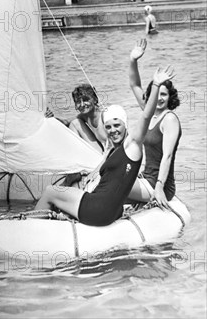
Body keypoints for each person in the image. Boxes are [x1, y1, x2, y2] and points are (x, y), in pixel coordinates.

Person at [35, 65, 175, 226]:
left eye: (117, 125)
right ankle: (54, 219)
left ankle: (29, 227)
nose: (112, 130)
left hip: (98, 209)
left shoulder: (132, 145)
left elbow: (146, 115)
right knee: (69, 194)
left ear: (126, 125)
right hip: (110, 210)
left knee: (50, 191)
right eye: (108, 127)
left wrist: (156, 85)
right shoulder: (112, 151)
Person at [129, 39, 181, 208]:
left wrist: (159, 187)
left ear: (170, 97)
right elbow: (135, 84)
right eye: (156, 93)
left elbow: (167, 156)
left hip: (160, 185)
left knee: (113, 184)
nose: (159, 98)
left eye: (163, 94)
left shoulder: (170, 119)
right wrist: (133, 60)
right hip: (146, 178)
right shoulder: (148, 112)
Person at [69, 84, 109, 153]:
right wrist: (50, 117)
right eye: (78, 101)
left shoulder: (105, 116)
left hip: (116, 155)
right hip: (103, 153)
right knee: (75, 123)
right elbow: (66, 121)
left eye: (85, 100)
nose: (82, 105)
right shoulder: (84, 116)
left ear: (95, 99)